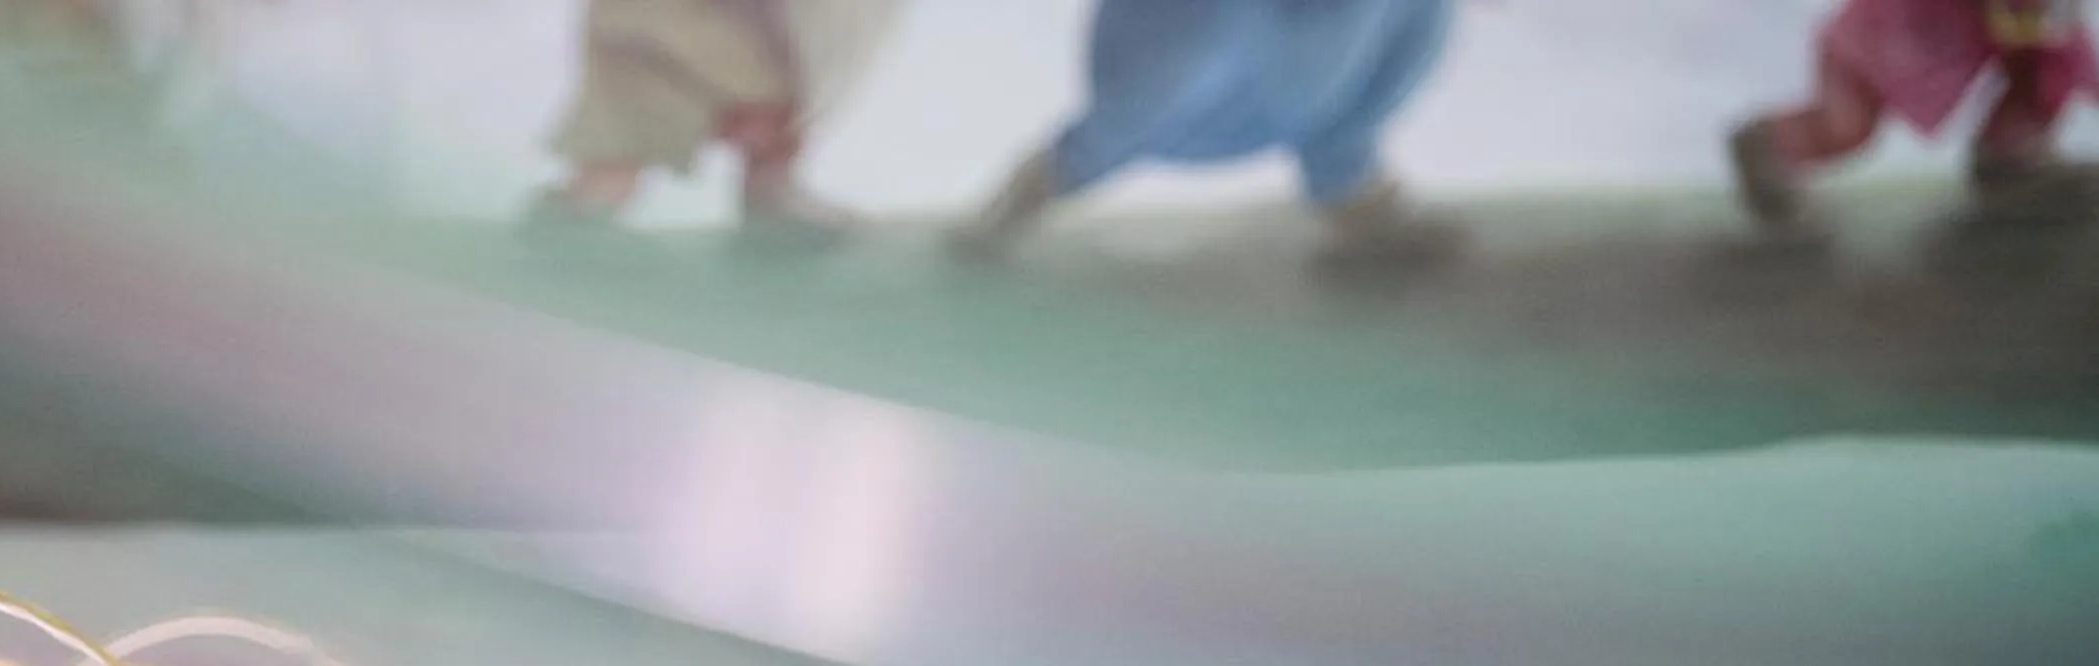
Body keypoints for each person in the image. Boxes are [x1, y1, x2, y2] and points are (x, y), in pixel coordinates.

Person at [948, 0, 1461, 265]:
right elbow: (1144, 92)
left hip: (1304, 71)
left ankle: (1349, 190)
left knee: (1424, 13)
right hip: (1199, 81)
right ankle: (1040, 184)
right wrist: (1051, 174)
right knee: (1191, 52)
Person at [533, 0, 906, 244]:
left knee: (618, 148)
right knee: (616, 154)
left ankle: (771, 193)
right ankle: (570, 228)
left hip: (721, 37)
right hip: (667, 33)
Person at [1729, 0, 2097, 233]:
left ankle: (2010, 158)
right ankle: (1769, 145)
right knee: (1846, 128)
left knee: (2048, 65)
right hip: (1869, 48)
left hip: (1933, 47)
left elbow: (2061, 47)